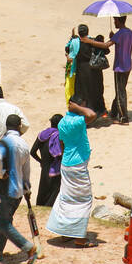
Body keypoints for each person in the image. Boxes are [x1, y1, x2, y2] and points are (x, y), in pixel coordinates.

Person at [0, 114, 39, 264]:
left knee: (2, 223)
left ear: (6, 126)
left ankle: (28, 248)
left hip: (5, 190)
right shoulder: (23, 144)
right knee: (6, 221)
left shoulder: (5, 142)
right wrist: (27, 188)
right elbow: (26, 170)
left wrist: (1, 174)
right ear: (19, 127)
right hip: (18, 192)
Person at [45, 100, 97, 246]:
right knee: (83, 199)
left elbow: (62, 144)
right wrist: (79, 108)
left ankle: (65, 233)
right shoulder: (78, 121)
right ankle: (79, 238)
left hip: (66, 163)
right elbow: (92, 115)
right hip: (77, 165)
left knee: (67, 197)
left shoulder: (62, 122)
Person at [71, 24, 110, 120]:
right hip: (95, 71)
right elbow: (106, 51)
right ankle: (100, 111)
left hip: (82, 72)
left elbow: (68, 51)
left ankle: (86, 114)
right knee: (97, 91)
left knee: (83, 93)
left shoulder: (76, 43)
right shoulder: (93, 42)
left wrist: (72, 37)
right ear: (87, 32)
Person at [30, 115, 63, 207]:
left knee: (42, 192)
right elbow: (60, 154)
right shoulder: (59, 137)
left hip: (44, 168)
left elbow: (32, 152)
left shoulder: (42, 135)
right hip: (55, 169)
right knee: (54, 192)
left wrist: (41, 161)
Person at [108, 15, 132, 125]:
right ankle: (114, 112)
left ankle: (124, 118)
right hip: (127, 65)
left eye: (115, 20)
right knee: (120, 89)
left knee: (120, 92)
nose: (114, 23)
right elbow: (122, 42)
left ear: (119, 20)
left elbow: (106, 45)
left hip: (120, 67)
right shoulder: (129, 32)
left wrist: (89, 42)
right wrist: (114, 36)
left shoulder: (120, 33)